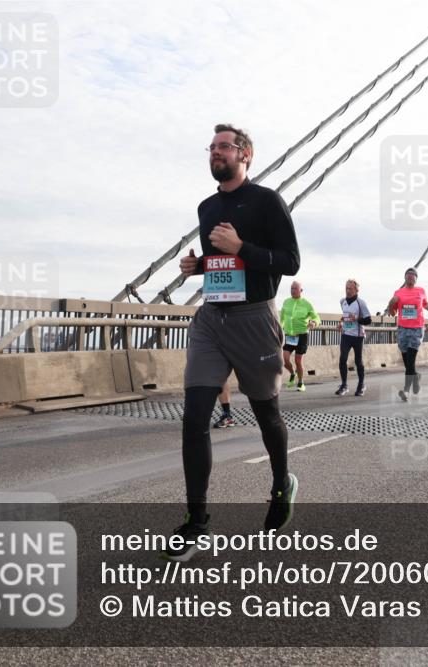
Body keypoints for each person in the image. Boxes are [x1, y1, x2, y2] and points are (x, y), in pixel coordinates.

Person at [164, 123, 300, 562]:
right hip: (211, 320)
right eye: (212, 147)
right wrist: (198, 266)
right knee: (194, 418)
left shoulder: (267, 201)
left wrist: (241, 246)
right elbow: (221, 261)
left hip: (254, 319)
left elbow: (290, 261)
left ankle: (281, 484)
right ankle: (197, 521)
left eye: (225, 146)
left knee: (266, 413)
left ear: (246, 155)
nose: (216, 152)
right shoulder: (206, 208)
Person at [386, 267, 428, 402]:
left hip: (417, 329)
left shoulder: (421, 291)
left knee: (410, 360)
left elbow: (425, 304)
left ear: (416, 278)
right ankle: (415, 377)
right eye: (408, 275)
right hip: (403, 329)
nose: (410, 277)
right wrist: (390, 304)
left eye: (413, 275)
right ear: (405, 278)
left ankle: (406, 390)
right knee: (407, 362)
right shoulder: (398, 292)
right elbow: (393, 313)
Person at [280, 281, 321, 392]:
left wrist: (314, 323)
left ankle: (301, 382)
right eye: (291, 288)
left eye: (295, 289)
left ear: (301, 290)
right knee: (285, 359)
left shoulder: (307, 304)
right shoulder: (286, 302)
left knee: (298, 361)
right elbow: (282, 318)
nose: (292, 291)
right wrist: (279, 327)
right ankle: (293, 373)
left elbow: (316, 317)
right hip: (289, 335)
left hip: (302, 335)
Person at [335, 279, 371, 396]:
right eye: (346, 288)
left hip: (358, 336)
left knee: (358, 361)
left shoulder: (361, 303)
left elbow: (368, 320)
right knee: (342, 359)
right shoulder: (342, 301)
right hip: (346, 335)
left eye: (350, 289)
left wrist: (357, 319)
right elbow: (345, 316)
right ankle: (344, 385)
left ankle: (361, 384)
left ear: (356, 290)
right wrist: (341, 324)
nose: (348, 291)